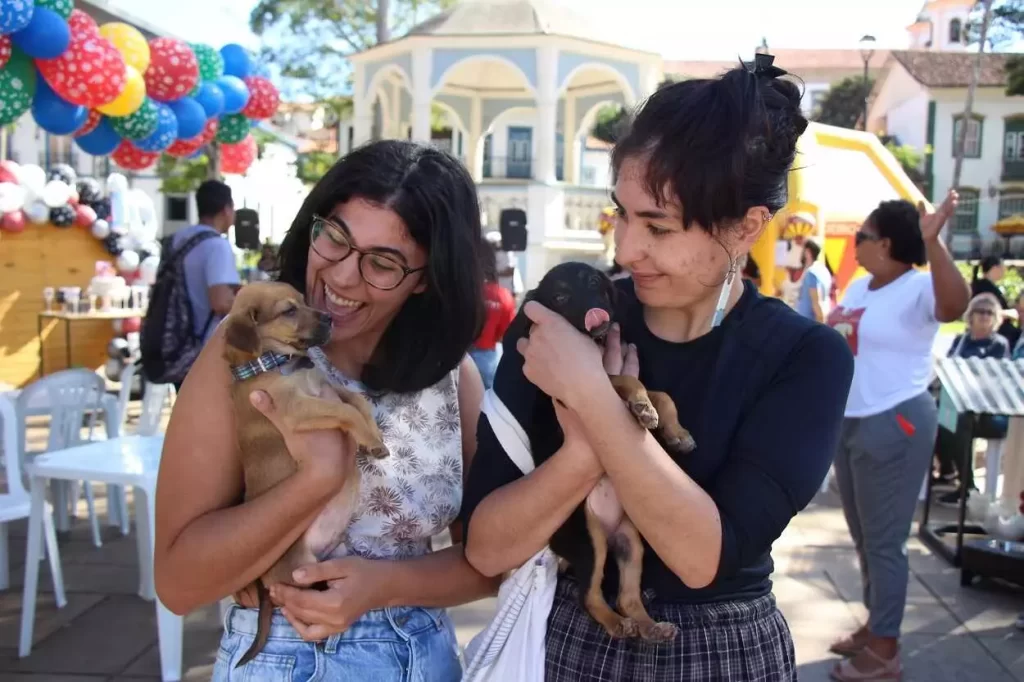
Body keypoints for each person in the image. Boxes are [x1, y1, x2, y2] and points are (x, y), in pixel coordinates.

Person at [462, 55, 855, 681]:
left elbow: (702, 556)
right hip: (572, 641)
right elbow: (485, 548)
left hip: (723, 652)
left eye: (659, 226)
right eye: (621, 212)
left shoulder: (804, 356)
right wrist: (583, 452)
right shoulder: (562, 317)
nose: (626, 248)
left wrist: (592, 400)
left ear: (747, 226)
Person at [154, 141, 497, 680]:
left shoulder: (451, 376)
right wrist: (315, 478)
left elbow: (492, 560)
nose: (340, 277)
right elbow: (178, 584)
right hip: (283, 656)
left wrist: (382, 586)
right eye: (334, 238)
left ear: (427, 277)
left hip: (426, 659)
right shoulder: (248, 353)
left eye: (382, 263)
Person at [825, 196, 970, 680]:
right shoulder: (863, 285)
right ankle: (876, 622)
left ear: (884, 243)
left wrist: (933, 242)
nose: (854, 243)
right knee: (865, 536)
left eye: (861, 236)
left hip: (897, 421)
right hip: (853, 420)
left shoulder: (918, 286)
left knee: (885, 541)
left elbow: (955, 305)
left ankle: (885, 652)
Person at [935, 293, 1010, 506]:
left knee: (958, 422)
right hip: (958, 403)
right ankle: (947, 472)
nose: (985, 316)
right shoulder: (961, 341)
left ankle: (966, 486)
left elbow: (994, 378)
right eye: (980, 311)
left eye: (990, 312)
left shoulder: (998, 344)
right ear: (971, 315)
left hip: (988, 411)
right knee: (937, 415)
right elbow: (948, 367)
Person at [471, 239, 517, 389]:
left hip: (459, 356)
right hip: (487, 357)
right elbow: (506, 334)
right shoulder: (504, 296)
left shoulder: (466, 291)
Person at [971, 255, 1018, 341]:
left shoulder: (985, 286)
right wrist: (1010, 313)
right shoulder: (984, 288)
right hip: (996, 332)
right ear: (995, 268)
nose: (1005, 270)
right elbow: (985, 311)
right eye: (1003, 267)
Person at [794, 239, 833, 322]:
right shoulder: (824, 270)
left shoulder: (811, 273)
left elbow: (816, 302)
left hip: (809, 323)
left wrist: (820, 329)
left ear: (807, 252)